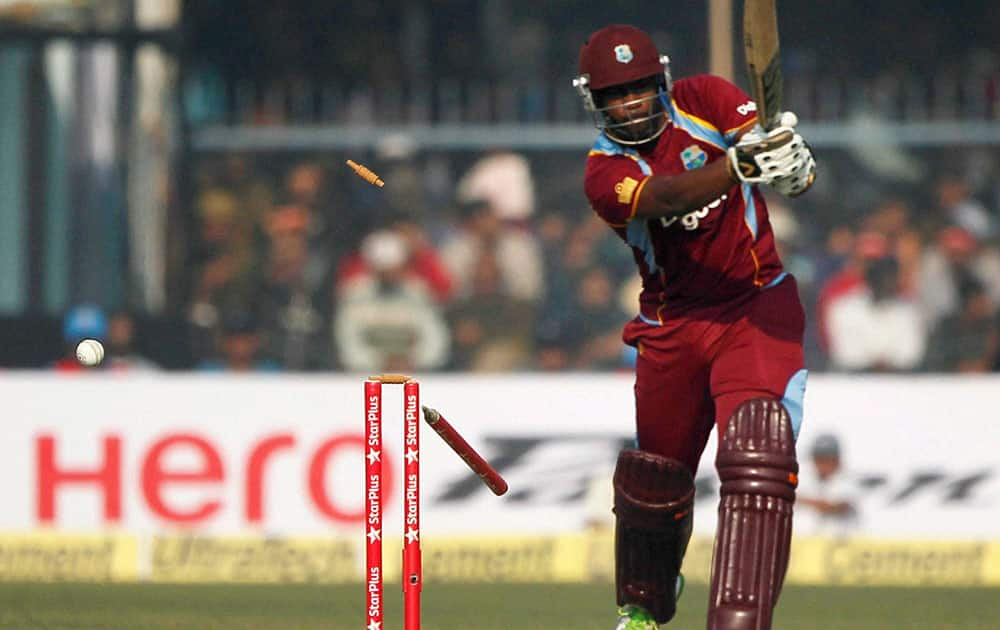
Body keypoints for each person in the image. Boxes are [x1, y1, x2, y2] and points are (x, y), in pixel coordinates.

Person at [573, 24, 816, 629]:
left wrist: (789, 168)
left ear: (661, 80)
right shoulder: (604, 173)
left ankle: (739, 621)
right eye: (614, 96)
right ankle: (647, 604)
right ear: (595, 103)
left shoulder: (705, 98)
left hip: (755, 305)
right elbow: (668, 197)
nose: (629, 105)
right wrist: (740, 166)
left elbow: (761, 148)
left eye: (638, 89)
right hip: (672, 326)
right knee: (654, 487)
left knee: (757, 450)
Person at [795, 434, 859, 537]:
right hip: (807, 545)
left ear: (837, 460)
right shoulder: (807, 478)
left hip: (841, 546)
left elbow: (833, 506)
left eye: (826, 459)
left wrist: (798, 498)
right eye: (819, 459)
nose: (822, 464)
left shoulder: (847, 481)